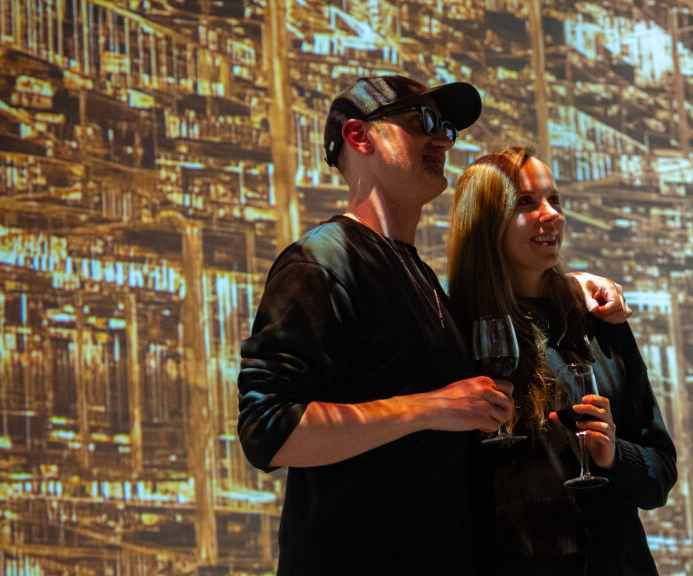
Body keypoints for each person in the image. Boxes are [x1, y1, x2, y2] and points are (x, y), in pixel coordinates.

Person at [237, 76, 630, 574]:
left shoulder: (417, 274)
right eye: (423, 122)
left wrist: (569, 284)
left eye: (446, 127)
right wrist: (431, 408)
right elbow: (267, 431)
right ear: (359, 136)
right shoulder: (322, 261)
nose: (443, 139)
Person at [447, 147, 677, 575]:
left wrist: (614, 456)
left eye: (556, 200)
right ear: (484, 223)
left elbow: (660, 475)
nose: (551, 215)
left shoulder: (598, 321)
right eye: (525, 203)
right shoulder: (452, 330)